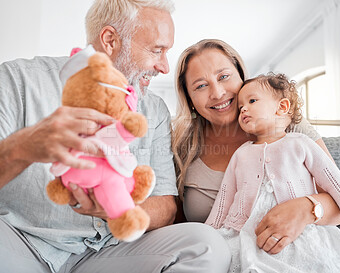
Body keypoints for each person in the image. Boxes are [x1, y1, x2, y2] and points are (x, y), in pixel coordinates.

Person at [0, 1, 230, 273]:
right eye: (157, 50)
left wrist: (119, 208)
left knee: (206, 245)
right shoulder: (17, 80)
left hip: (109, 252)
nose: (165, 67)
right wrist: (22, 148)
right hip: (23, 243)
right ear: (110, 40)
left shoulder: (153, 109)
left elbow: (167, 205)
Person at [172, 39, 340, 255]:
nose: (217, 93)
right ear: (189, 98)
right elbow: (175, 225)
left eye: (224, 76)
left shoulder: (286, 122)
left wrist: (305, 209)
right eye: (200, 85)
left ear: (241, 76)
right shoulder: (182, 144)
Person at [205, 73, 340, 272]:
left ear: (282, 107)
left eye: (252, 101)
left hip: (301, 231)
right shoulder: (241, 154)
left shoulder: (300, 143)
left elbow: (333, 180)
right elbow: (225, 196)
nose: (244, 109)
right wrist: (209, 232)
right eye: (240, 107)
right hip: (248, 233)